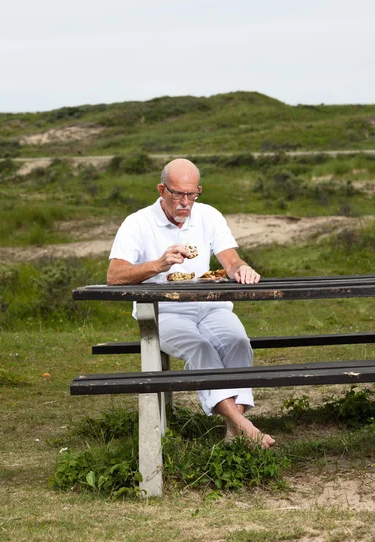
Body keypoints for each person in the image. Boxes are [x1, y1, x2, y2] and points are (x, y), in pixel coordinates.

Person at [107, 158, 275, 449]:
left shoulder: (208, 216)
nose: (185, 202)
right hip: (163, 311)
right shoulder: (138, 222)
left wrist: (242, 270)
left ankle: (234, 431)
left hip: (211, 305)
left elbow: (231, 262)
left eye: (192, 194)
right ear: (162, 190)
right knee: (201, 349)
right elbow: (114, 276)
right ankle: (244, 426)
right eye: (177, 194)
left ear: (199, 190)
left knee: (239, 342)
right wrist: (158, 265)